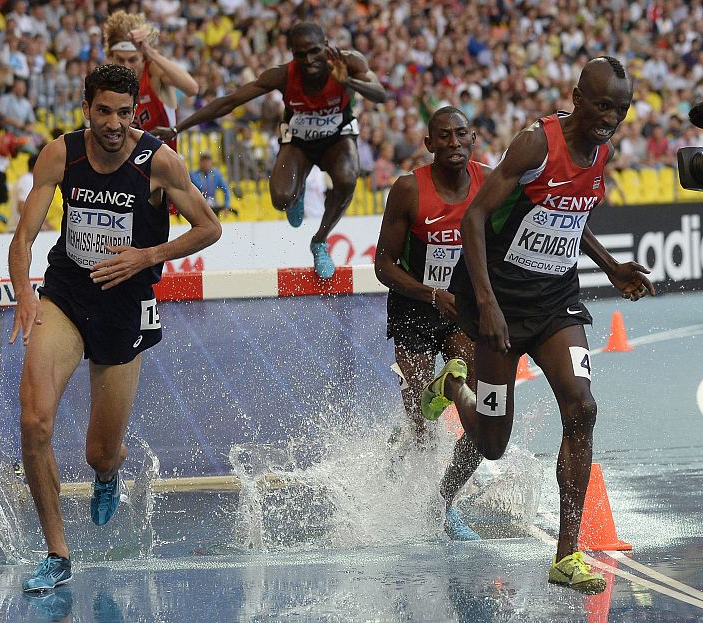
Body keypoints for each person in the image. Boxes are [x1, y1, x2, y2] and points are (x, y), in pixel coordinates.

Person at [423, 57, 655, 593]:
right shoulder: (535, 145)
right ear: (577, 97)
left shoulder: (602, 151)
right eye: (602, 105)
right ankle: (454, 386)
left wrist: (610, 266)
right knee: (491, 443)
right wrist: (486, 303)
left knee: (583, 407)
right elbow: (475, 217)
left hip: (555, 304)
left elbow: (571, 216)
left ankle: (566, 556)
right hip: (501, 306)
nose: (610, 118)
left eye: (620, 110)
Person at [8, 64, 221, 592]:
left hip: (124, 306)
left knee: (99, 453)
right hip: (66, 294)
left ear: (135, 113)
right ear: (86, 108)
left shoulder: (159, 162)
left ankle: (108, 474)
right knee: (34, 422)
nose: (113, 124)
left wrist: (146, 256)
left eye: (124, 114)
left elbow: (209, 228)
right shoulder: (61, 154)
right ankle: (56, 553)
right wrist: (24, 295)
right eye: (103, 111)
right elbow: (23, 238)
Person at [164, 21, 387, 279]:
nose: (309, 60)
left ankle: (320, 241)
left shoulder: (349, 62)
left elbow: (380, 94)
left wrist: (348, 81)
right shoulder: (282, 75)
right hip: (299, 142)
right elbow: (230, 102)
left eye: (314, 51)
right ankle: (297, 191)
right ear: (292, 54)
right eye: (300, 54)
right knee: (281, 200)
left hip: (337, 139)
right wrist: (177, 128)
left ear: (326, 47)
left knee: (348, 179)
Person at [375, 107, 488, 541]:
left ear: (473, 138)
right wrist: (432, 294)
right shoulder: (409, 190)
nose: (453, 143)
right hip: (415, 307)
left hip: (463, 308)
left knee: (480, 414)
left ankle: (444, 502)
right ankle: (411, 440)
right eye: (444, 136)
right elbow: (383, 265)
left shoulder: (488, 182)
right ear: (428, 144)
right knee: (423, 420)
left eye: (461, 134)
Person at [104, 10, 199, 153]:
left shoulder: (154, 73)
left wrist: (152, 52)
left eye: (132, 60)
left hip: (162, 162)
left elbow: (192, 88)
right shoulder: (109, 82)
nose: (126, 66)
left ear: (143, 58)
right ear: (111, 57)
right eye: (120, 60)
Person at [190, 152, 235, 217]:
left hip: (213, 204)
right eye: (204, 161)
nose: (206, 164)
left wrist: (226, 206)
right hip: (198, 205)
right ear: (200, 162)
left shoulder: (216, 174)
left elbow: (226, 190)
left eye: (208, 161)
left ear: (211, 162)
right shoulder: (193, 175)